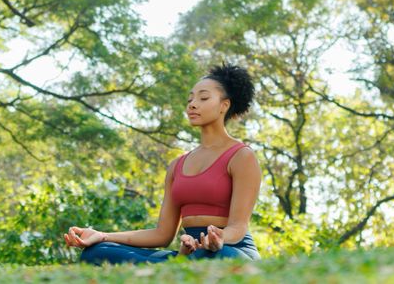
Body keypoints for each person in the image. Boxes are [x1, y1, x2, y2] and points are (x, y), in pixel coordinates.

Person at [63, 62, 262, 264]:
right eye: (190, 99)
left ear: (224, 105)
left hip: (231, 250)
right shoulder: (177, 165)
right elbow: (162, 235)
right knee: (97, 252)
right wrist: (102, 235)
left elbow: (238, 228)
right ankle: (178, 265)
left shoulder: (241, 156)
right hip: (190, 251)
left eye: (203, 98)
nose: (192, 104)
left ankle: (177, 266)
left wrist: (218, 239)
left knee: (211, 256)